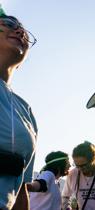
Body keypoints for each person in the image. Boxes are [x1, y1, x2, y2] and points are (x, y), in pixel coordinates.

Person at [0, 5, 38, 210]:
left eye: (23, 30)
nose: (20, 31)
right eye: (9, 23)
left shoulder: (27, 111)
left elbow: (21, 189)